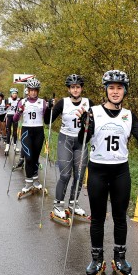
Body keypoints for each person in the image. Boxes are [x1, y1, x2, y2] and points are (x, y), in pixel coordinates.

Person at [77, 70, 138, 275]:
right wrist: (83, 126)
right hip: (97, 171)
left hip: (121, 171)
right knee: (98, 218)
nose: (115, 91)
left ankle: (120, 258)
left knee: (121, 217)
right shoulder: (93, 112)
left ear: (125, 91)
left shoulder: (129, 115)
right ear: (105, 90)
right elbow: (80, 142)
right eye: (111, 87)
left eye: (119, 88)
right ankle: (96, 259)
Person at [44, 74, 94, 220]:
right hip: (65, 139)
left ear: (81, 88)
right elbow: (48, 121)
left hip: (81, 141)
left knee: (79, 175)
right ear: (69, 89)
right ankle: (58, 205)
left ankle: (73, 203)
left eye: (78, 87)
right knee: (65, 174)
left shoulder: (88, 103)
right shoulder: (63, 103)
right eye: (73, 87)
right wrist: (49, 108)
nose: (75, 90)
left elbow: (95, 121)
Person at [13, 78, 49, 194]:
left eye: (35, 90)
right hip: (26, 132)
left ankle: (36, 180)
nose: (33, 92)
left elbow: (48, 119)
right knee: (28, 158)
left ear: (38, 91)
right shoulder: (22, 102)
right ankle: (28, 182)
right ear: (27, 90)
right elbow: (15, 119)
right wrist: (19, 111)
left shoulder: (42, 102)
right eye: (31, 90)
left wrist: (50, 108)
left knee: (35, 158)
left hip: (39, 132)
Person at [5, 88, 21, 153]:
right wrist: (8, 105)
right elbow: (5, 107)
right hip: (9, 115)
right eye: (13, 93)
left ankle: (15, 146)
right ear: (11, 94)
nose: (14, 94)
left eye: (16, 93)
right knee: (8, 131)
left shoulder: (19, 100)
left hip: (15, 116)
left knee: (15, 132)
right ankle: (7, 146)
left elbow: (20, 107)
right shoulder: (7, 99)